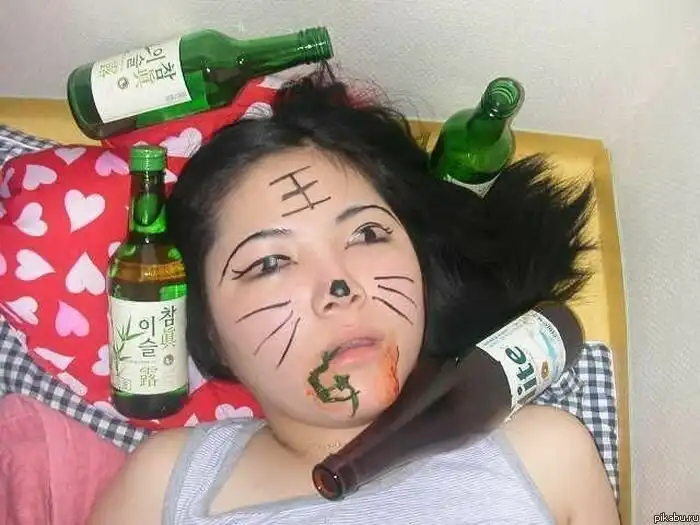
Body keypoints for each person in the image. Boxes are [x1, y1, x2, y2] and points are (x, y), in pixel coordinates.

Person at [87, 65, 620, 525]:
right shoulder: (165, 484)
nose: (338, 286)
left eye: (367, 234)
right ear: (208, 331)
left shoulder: (548, 456)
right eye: (270, 262)